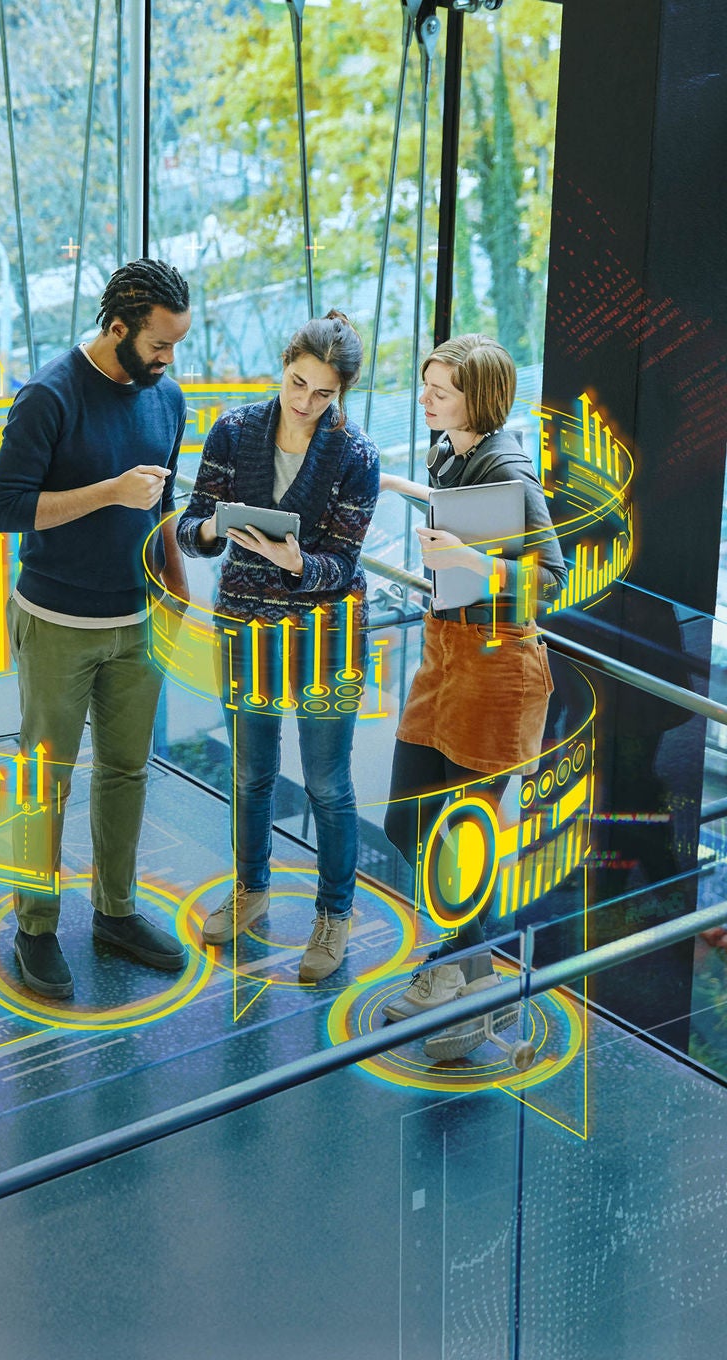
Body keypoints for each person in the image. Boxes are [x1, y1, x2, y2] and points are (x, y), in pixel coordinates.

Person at [0, 259, 194, 999]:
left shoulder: (166, 398)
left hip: (138, 620)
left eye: (175, 346)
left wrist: (177, 578)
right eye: (160, 345)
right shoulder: (49, 395)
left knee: (127, 772)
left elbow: (162, 504)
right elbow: (4, 509)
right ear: (117, 328)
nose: (169, 360)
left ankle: (116, 911)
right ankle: (34, 926)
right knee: (46, 783)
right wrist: (109, 491)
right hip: (58, 623)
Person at [375, 335, 567, 1058]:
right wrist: (411, 492)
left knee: (463, 843)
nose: (425, 399)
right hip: (446, 657)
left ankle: (460, 983)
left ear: (478, 400)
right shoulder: (450, 450)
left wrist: (464, 559)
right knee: (407, 823)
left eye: (441, 391)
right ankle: (476, 970)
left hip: (494, 669)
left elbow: (547, 577)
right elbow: (466, 508)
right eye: (426, 385)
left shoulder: (511, 467)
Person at [176, 313, 381, 981]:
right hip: (247, 628)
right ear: (285, 363)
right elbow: (188, 528)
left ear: (341, 393)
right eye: (298, 383)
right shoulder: (234, 432)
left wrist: (298, 564)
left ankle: (334, 912)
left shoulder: (358, 458)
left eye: (324, 393)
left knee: (327, 783)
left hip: (326, 635)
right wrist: (211, 529)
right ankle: (250, 889)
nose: (305, 402)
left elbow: (345, 564)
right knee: (249, 774)